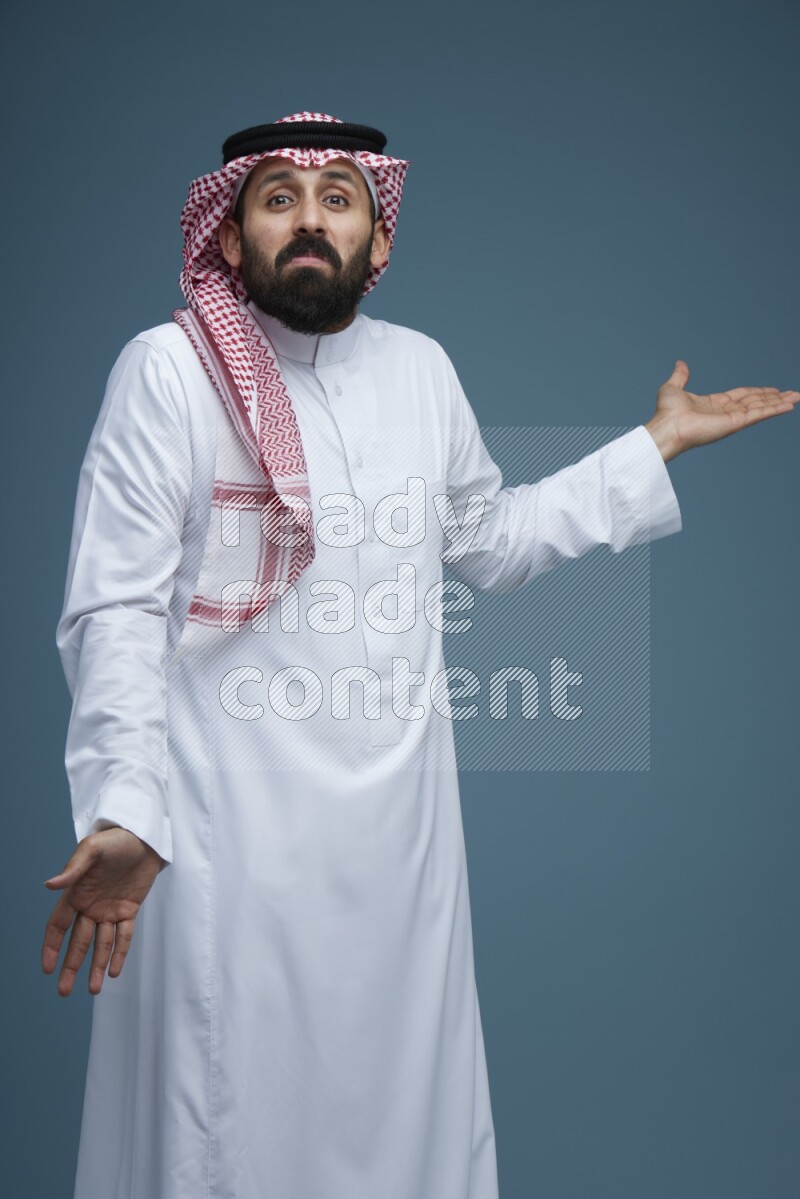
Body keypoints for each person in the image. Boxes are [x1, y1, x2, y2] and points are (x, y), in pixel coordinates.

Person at [41, 112, 798, 1199]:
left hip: (401, 862)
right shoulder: (166, 372)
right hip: (219, 849)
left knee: (404, 1134)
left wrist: (653, 446)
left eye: (337, 200)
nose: (310, 220)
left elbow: (488, 542)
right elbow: (109, 607)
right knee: (221, 1137)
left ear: (377, 241)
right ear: (230, 235)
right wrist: (123, 803)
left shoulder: (421, 370)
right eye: (279, 199)